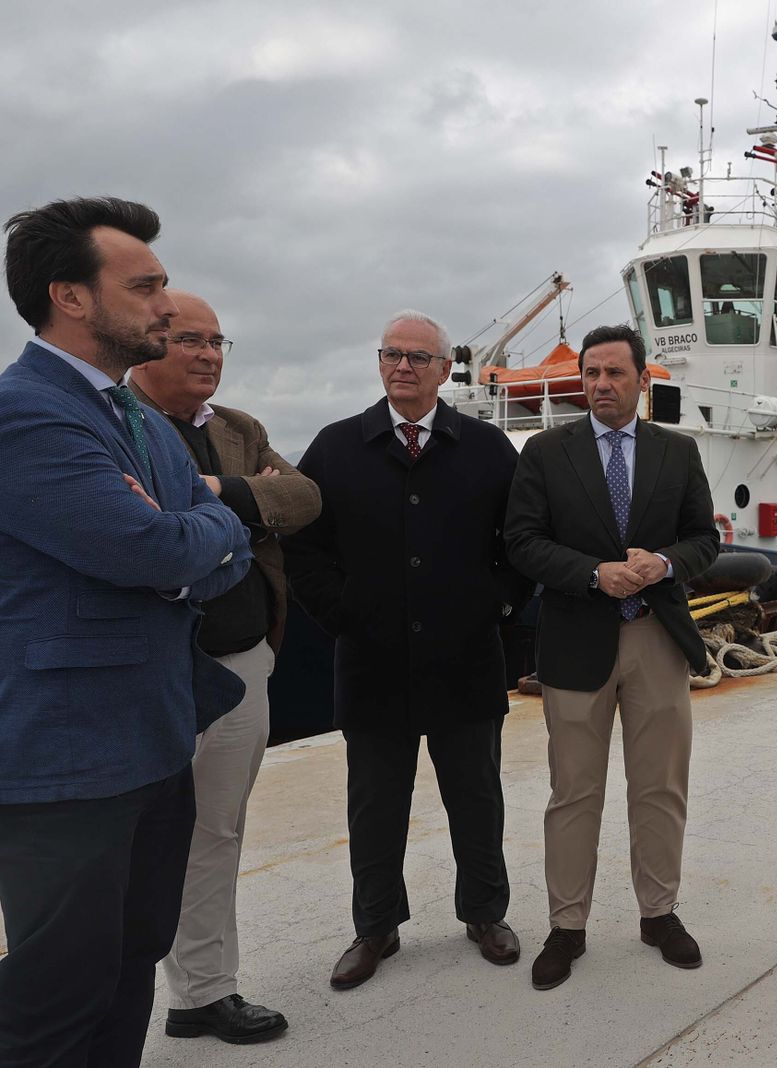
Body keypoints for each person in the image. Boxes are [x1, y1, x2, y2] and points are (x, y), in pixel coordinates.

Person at [0, 197, 252, 1067]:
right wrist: (188, 532)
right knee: (54, 998)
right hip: (64, 765)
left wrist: (197, 525)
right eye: (145, 286)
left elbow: (226, 548)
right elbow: (147, 545)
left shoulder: (136, 419)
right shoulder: (25, 415)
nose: (165, 305)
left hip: (154, 740)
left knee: (129, 967)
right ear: (70, 297)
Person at [284, 310, 529, 990]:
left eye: (418, 357)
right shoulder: (336, 449)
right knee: (374, 804)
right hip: (372, 663)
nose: (402, 366)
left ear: (444, 370)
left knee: (477, 797)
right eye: (391, 353)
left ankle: (485, 913)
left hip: (467, 661)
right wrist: (343, 615)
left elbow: (521, 544)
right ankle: (376, 927)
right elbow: (304, 551)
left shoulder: (485, 448)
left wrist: (497, 608)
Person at [129, 290, 321, 1044]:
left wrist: (215, 492)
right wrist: (249, 502)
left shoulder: (239, 429)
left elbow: (302, 496)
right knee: (131, 843)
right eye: (189, 340)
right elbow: (143, 526)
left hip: (243, 664)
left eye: (217, 341)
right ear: (149, 341)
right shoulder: (116, 424)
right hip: (153, 674)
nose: (209, 354)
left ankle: (203, 992)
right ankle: (106, 1001)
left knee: (217, 833)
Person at [503, 323, 719, 990]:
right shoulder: (545, 451)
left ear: (640, 378)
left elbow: (703, 539)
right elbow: (522, 541)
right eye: (591, 373)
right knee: (574, 793)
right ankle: (567, 927)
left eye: (613, 373)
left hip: (656, 638)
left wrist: (664, 564)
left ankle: (659, 915)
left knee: (660, 788)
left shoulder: (676, 452)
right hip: (575, 641)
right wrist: (594, 573)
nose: (599, 384)